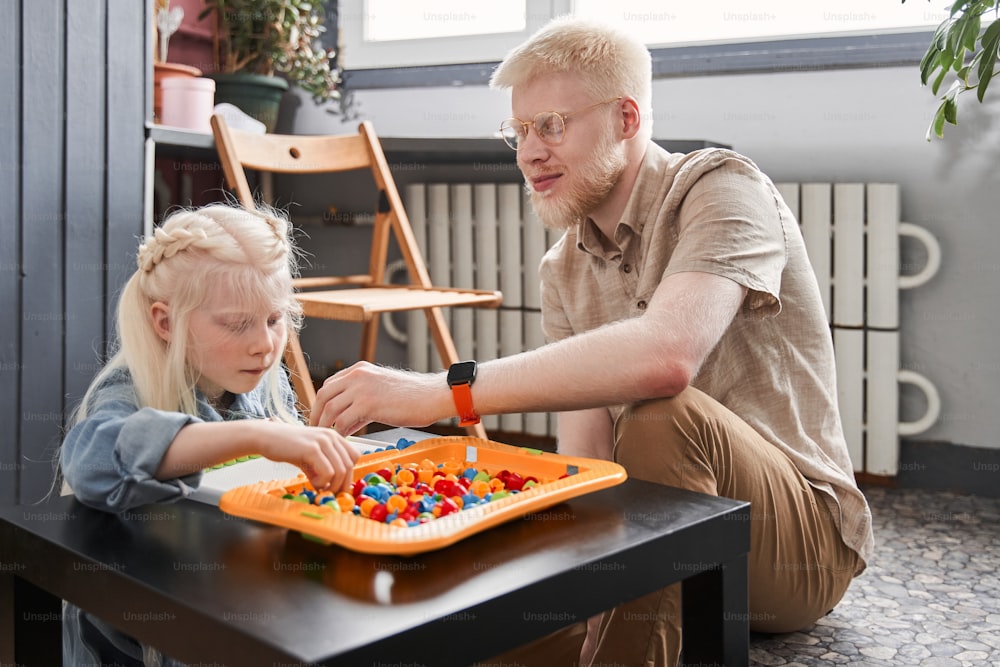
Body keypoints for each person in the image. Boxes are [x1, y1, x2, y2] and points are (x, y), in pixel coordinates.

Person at [309, 16, 874, 667]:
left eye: (551, 125)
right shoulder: (563, 267)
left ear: (626, 118)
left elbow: (666, 358)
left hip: (797, 550)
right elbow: (588, 466)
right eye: (518, 131)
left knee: (666, 412)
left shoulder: (723, 189)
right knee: (486, 632)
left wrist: (443, 391)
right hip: (665, 544)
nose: (528, 152)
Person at [60, 204, 359, 666]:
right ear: (166, 323)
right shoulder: (127, 390)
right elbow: (91, 459)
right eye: (238, 324)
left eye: (275, 319)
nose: (263, 343)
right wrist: (253, 436)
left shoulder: (261, 378)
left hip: (235, 595)